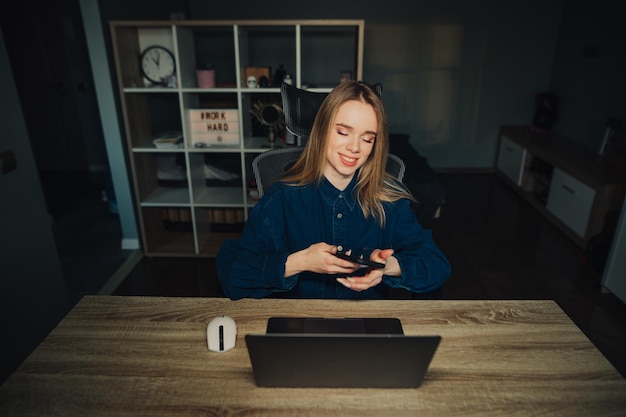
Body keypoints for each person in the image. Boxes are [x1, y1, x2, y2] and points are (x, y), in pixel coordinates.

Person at [217, 81, 450, 299]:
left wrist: (387, 266)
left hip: (366, 328)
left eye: (367, 139)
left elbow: (437, 266)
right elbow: (232, 274)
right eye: (342, 132)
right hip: (299, 326)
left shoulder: (389, 200)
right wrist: (300, 262)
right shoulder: (281, 200)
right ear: (322, 130)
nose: (354, 147)